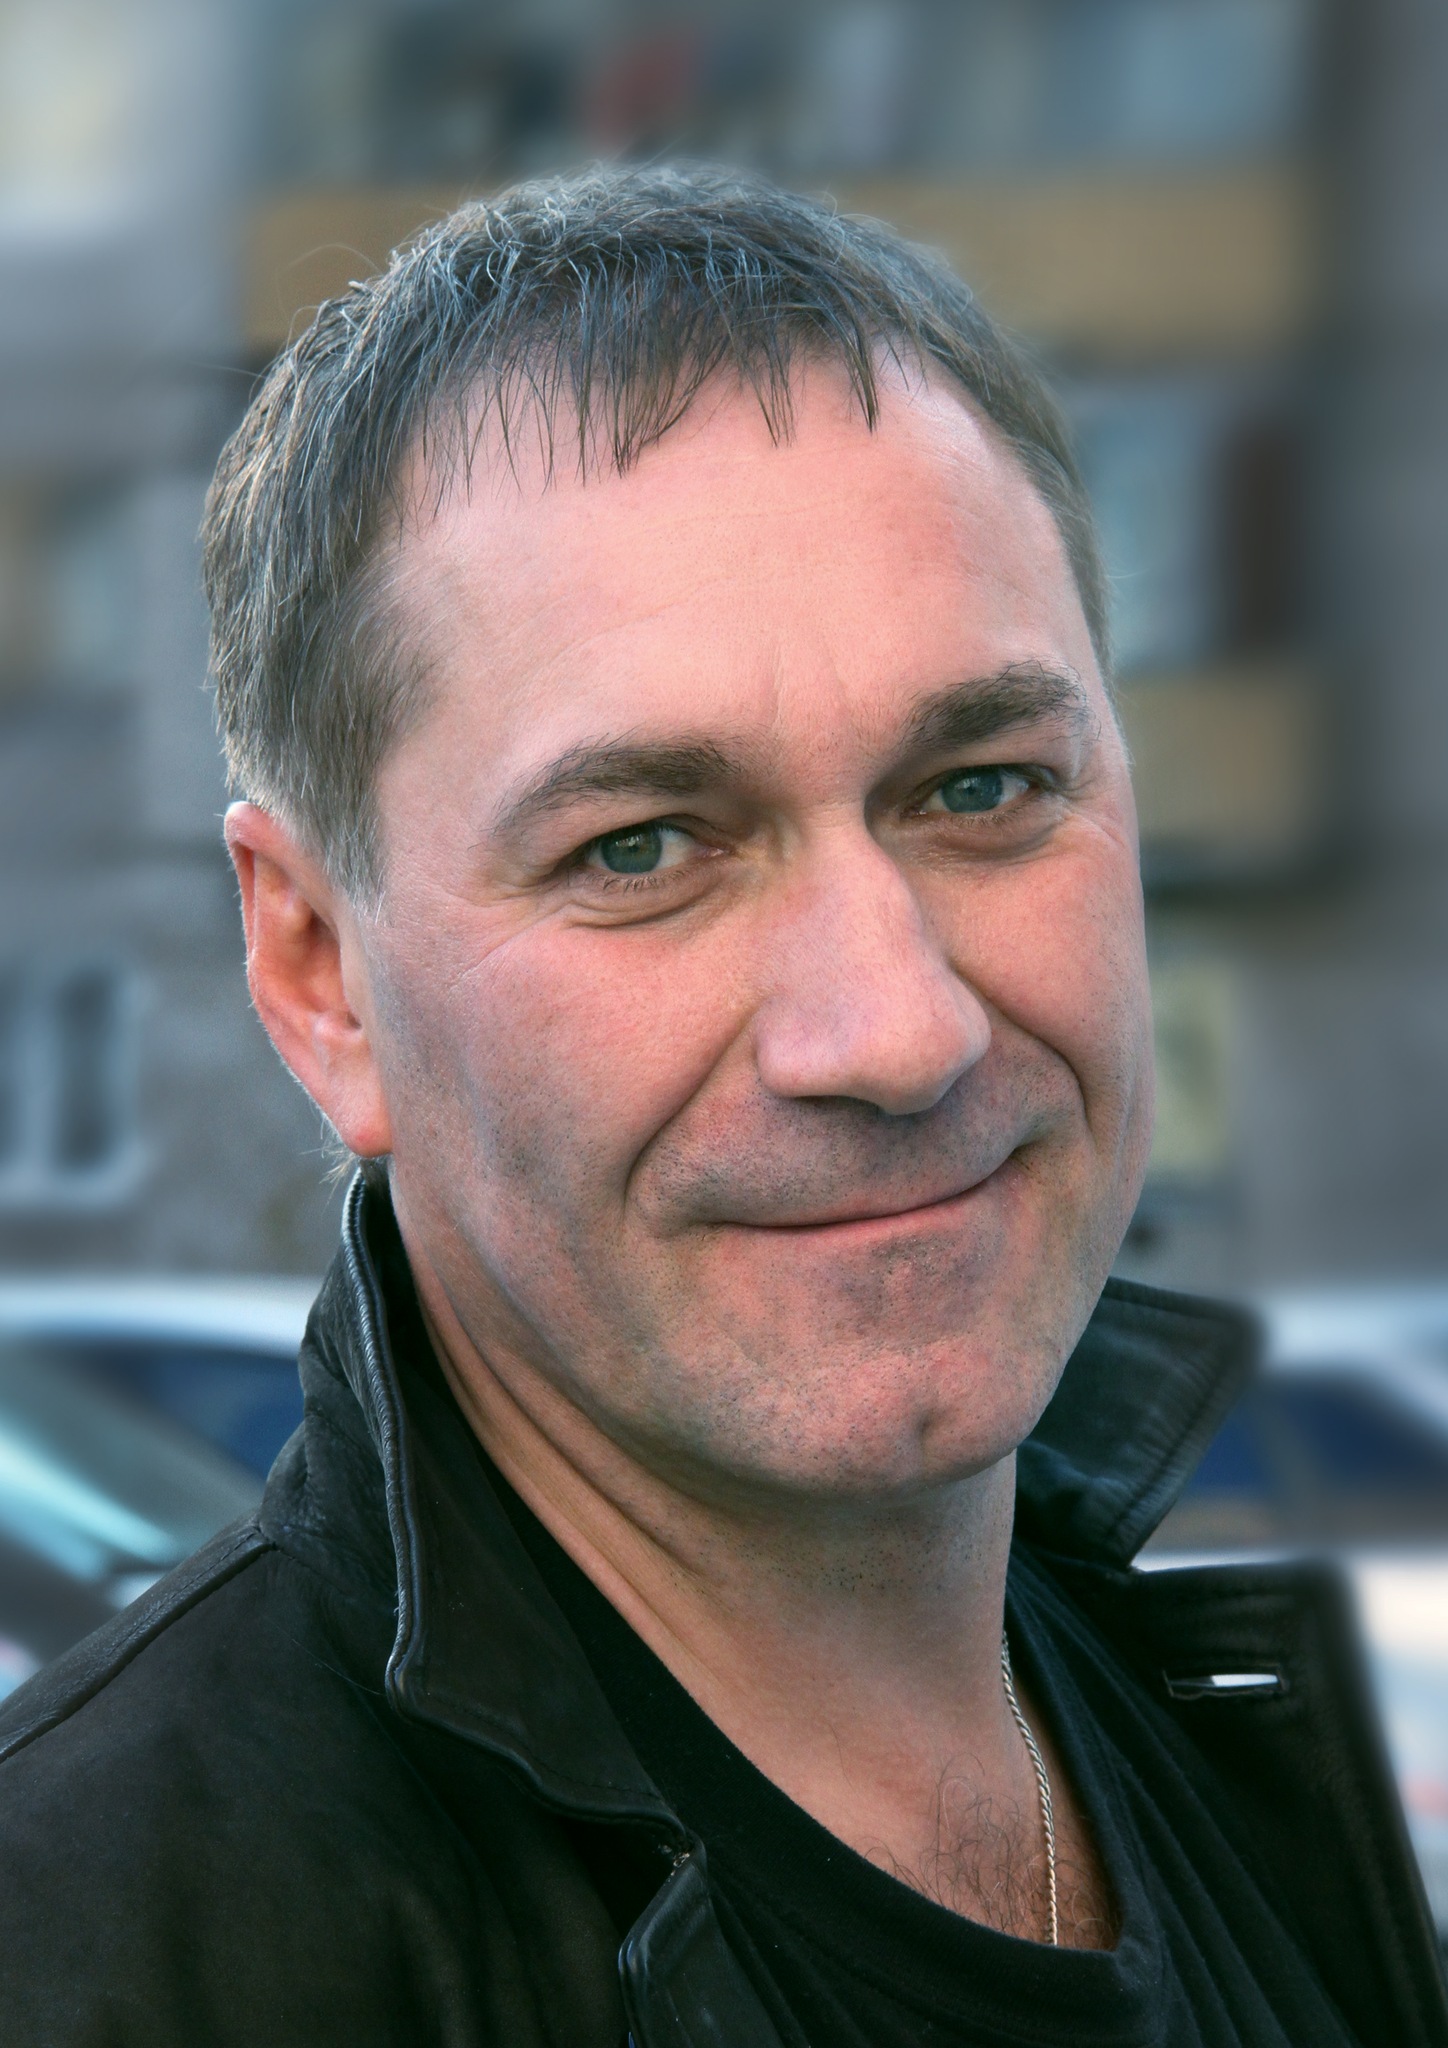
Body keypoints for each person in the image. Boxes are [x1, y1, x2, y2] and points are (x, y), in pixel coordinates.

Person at [0, 164, 1442, 2048]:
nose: (897, 1030)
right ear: (319, 972)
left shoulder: (1228, 1755)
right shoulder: (98, 1958)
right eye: (645, 846)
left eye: (984, 790)